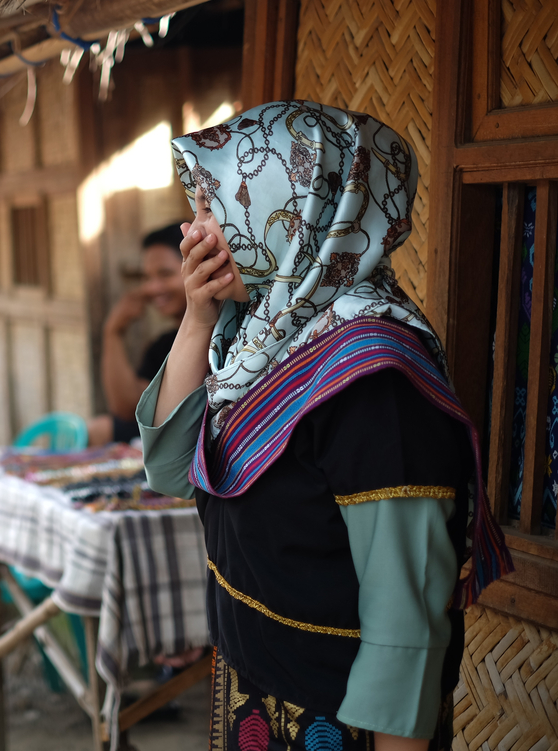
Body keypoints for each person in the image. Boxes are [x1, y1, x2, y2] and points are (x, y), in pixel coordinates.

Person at [136, 102, 512, 751]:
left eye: (209, 205)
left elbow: (406, 620)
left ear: (292, 210)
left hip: (340, 722)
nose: (190, 227)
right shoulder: (256, 337)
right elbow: (172, 471)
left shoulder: (376, 379)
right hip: (255, 692)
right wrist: (197, 316)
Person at [87, 224, 186, 446]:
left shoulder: (224, 335)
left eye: (165, 274)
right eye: (147, 277)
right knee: (99, 430)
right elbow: (127, 408)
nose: (151, 288)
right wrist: (113, 332)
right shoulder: (163, 346)